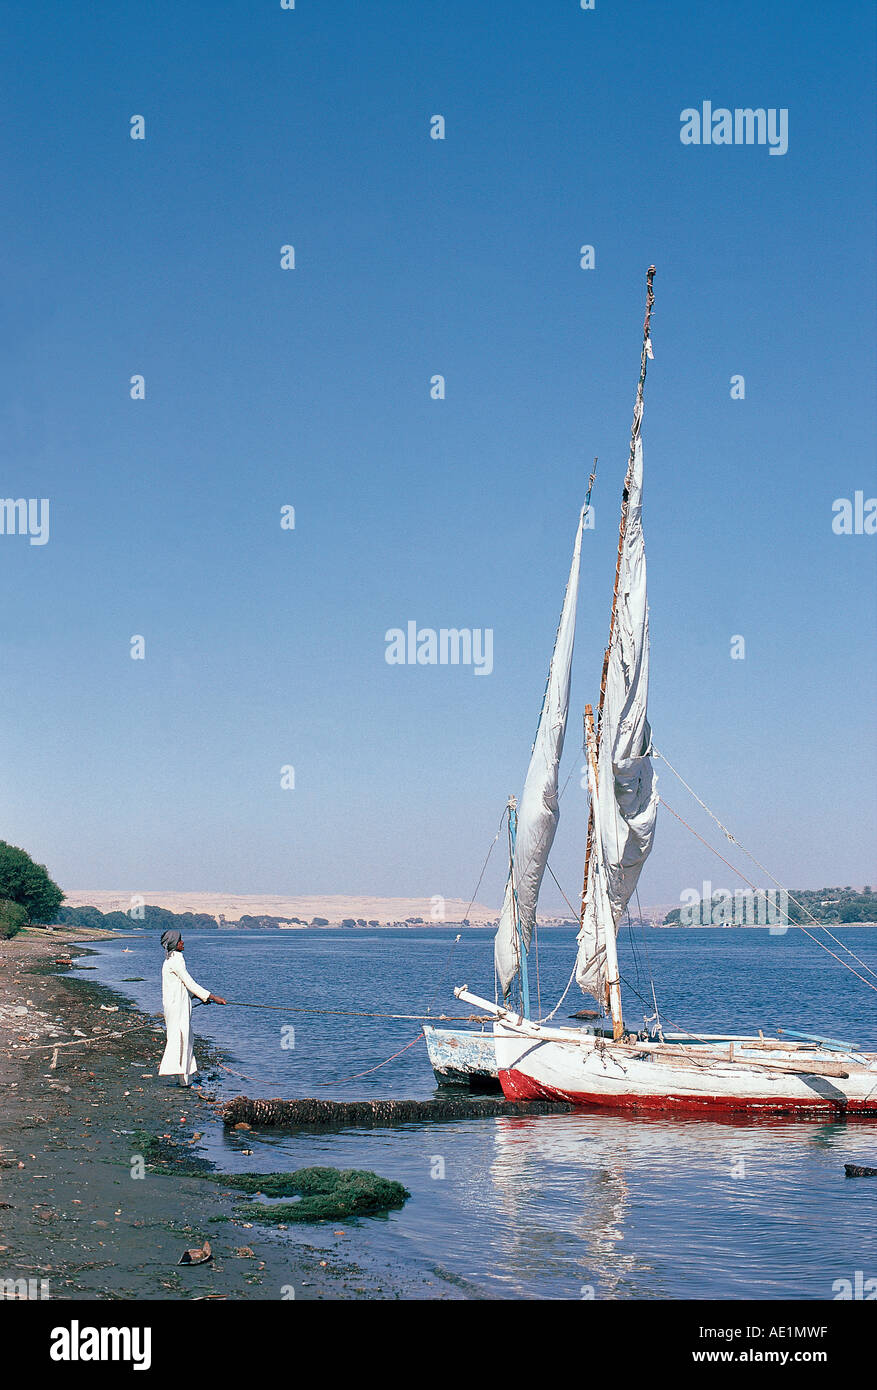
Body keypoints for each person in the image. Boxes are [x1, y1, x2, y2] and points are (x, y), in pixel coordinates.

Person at [158, 930, 226, 1086]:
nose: (183, 942)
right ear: (175, 944)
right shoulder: (175, 960)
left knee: (183, 1038)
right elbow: (189, 983)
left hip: (177, 1004)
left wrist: (200, 997)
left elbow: (182, 986)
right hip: (176, 1007)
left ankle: (183, 1079)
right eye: (180, 940)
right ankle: (183, 1079)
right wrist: (212, 996)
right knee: (181, 1038)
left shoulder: (174, 959)